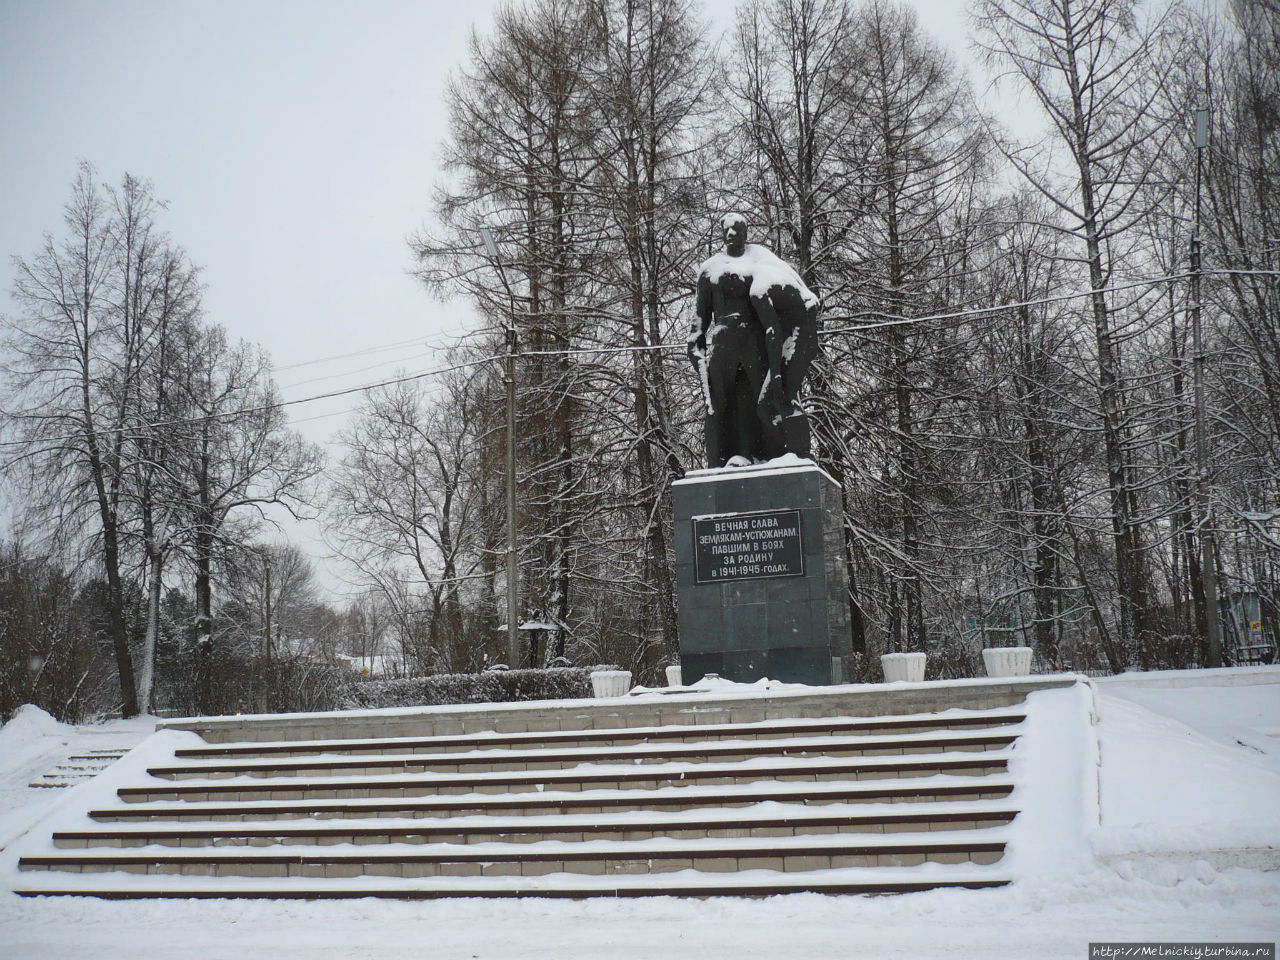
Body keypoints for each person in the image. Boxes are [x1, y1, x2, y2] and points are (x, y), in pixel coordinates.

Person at [689, 213, 820, 468]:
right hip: (722, 345)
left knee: (766, 403)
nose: (731, 235)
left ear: (745, 234)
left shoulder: (758, 261)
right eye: (727, 230)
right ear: (721, 234)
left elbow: (790, 287)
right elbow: (697, 332)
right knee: (716, 409)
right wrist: (701, 368)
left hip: (755, 344)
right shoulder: (709, 270)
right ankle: (718, 469)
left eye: (736, 230)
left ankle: (778, 458)